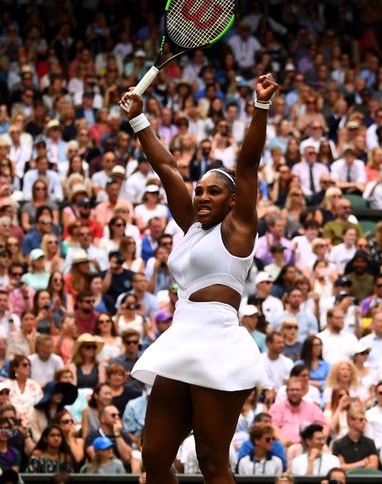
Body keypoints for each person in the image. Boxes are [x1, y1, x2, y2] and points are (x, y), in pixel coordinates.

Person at [119, 75, 278, 483]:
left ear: (233, 201)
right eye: (200, 191)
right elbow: (166, 167)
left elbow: (247, 164)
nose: (203, 196)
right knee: (153, 455)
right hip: (180, 340)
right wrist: (139, 120)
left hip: (218, 344)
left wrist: (260, 108)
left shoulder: (239, 228)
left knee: (211, 460)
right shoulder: (192, 227)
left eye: (213, 192)